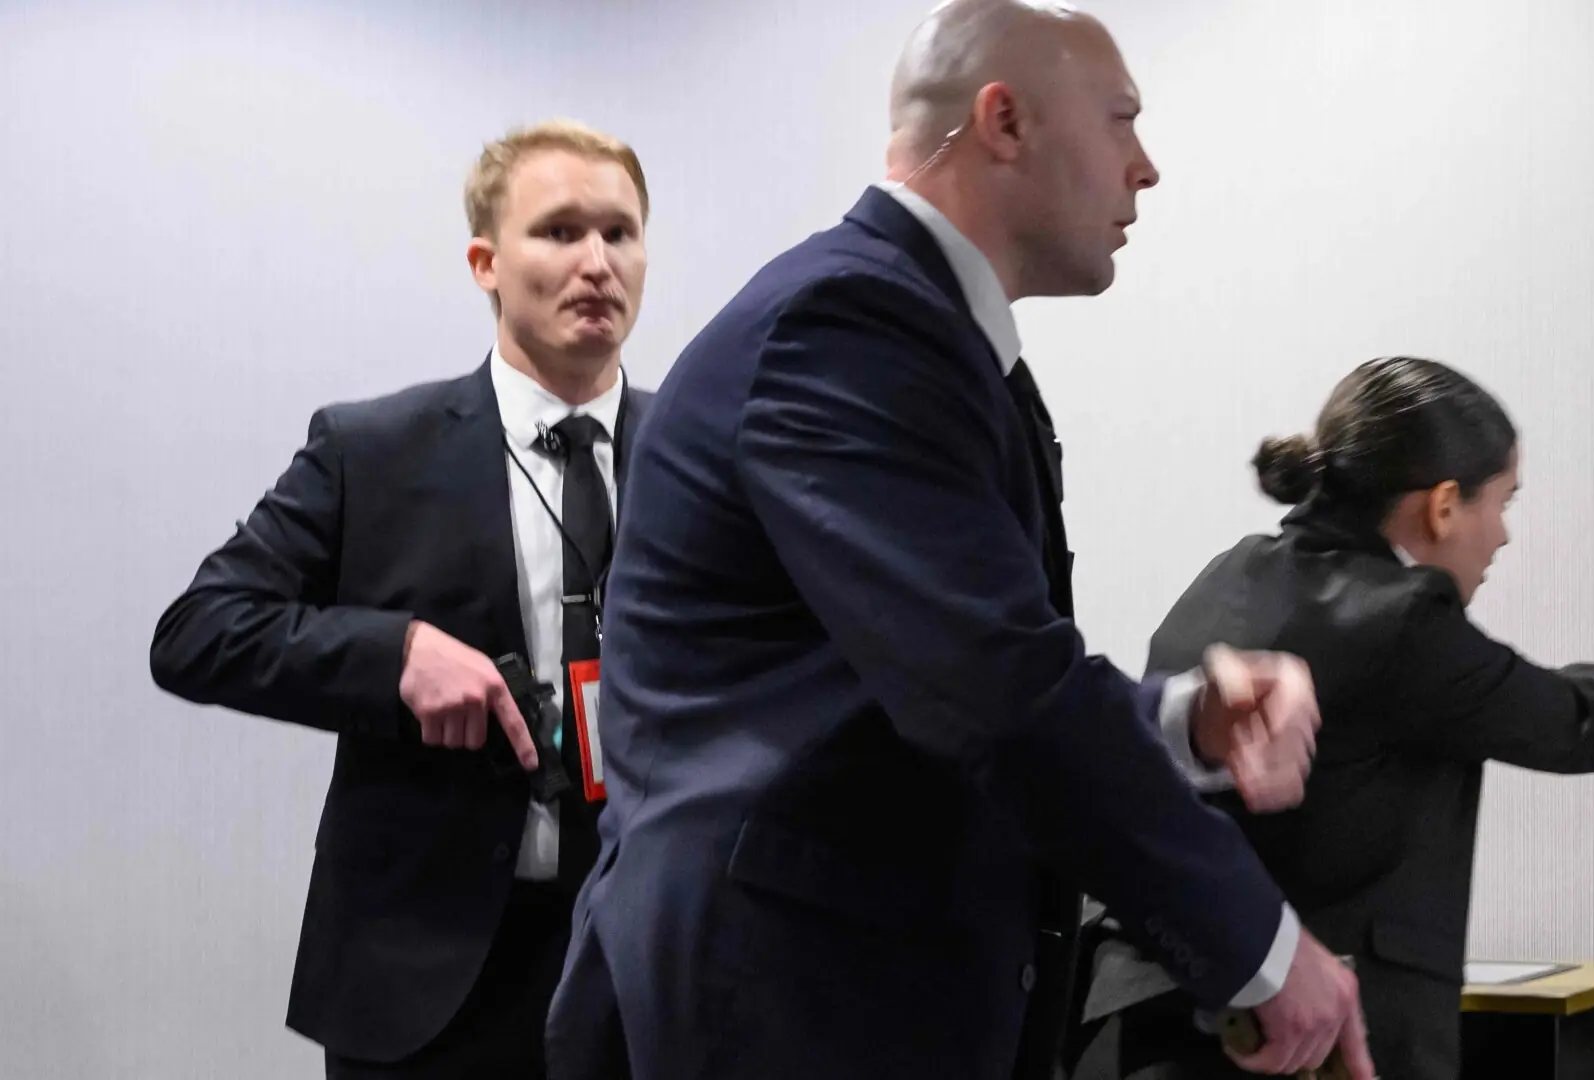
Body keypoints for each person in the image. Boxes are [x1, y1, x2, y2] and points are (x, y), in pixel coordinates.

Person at [545, 3, 1376, 1079]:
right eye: (1121, 118)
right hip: (787, 1008)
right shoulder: (845, 326)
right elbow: (995, 688)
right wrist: (1261, 949)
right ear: (1005, 121)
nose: (1146, 167)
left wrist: (1182, 724)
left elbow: (923, 681)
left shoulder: (914, 331)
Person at [1067, 355, 1594, 1080]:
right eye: (1502, 503)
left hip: (1149, 1021)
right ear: (1443, 505)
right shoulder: (1399, 618)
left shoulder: (1229, 573)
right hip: (1301, 1041)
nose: (1504, 535)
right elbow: (1560, 719)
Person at [149, 119, 656, 1079]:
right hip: (427, 983)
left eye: (618, 233)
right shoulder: (372, 451)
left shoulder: (704, 456)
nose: (596, 262)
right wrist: (396, 657)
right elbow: (197, 630)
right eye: (559, 231)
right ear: (485, 263)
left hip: (649, 974)